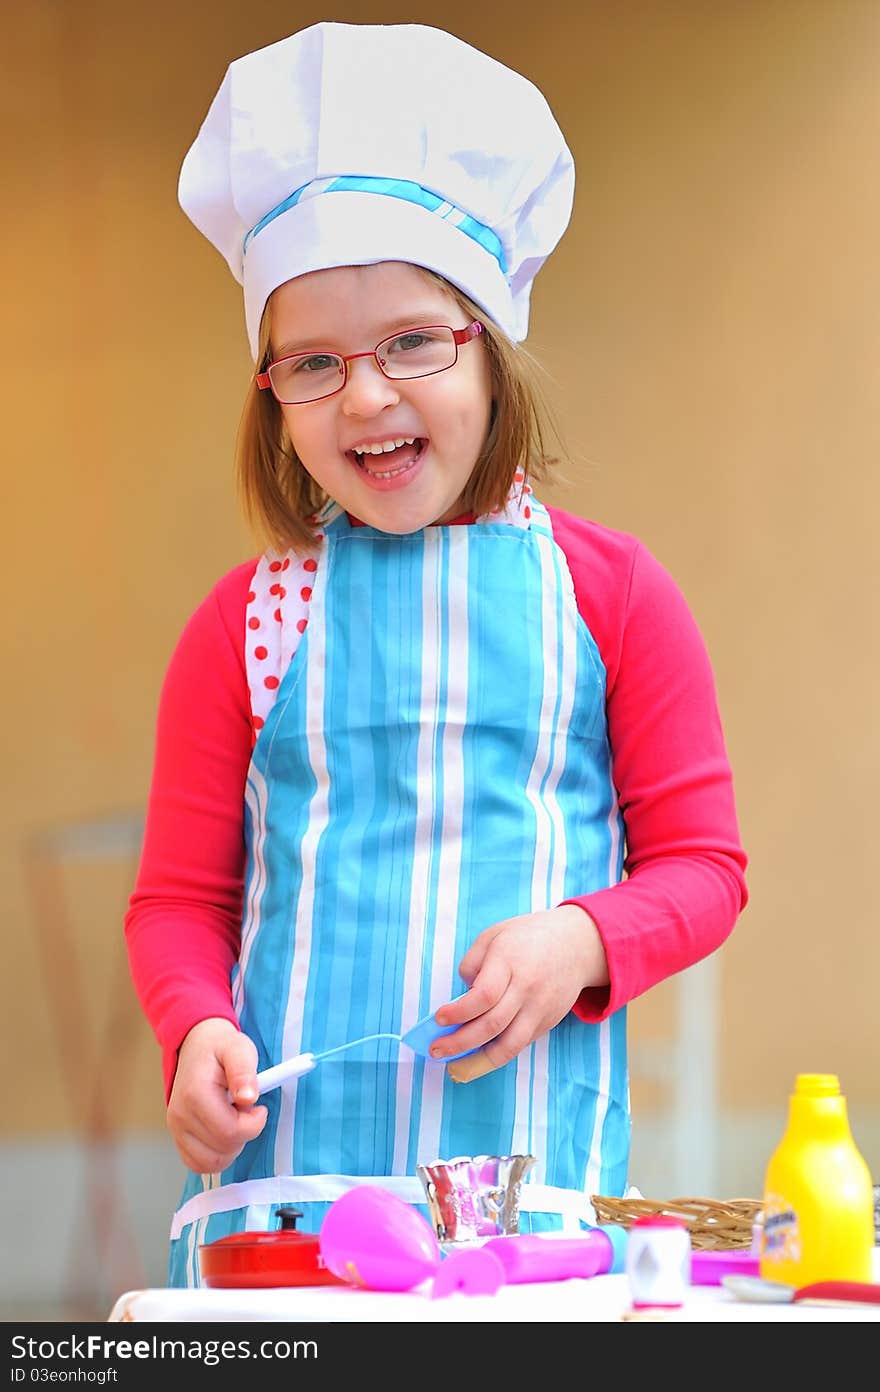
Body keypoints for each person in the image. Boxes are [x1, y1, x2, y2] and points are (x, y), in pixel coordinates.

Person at [125, 21, 748, 1287]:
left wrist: (580, 936)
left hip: (528, 1222)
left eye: (414, 339)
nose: (368, 397)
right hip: (283, 1218)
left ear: (489, 344)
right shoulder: (243, 623)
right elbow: (182, 903)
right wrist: (193, 1032)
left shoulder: (612, 594)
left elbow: (704, 868)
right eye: (314, 363)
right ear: (272, 393)